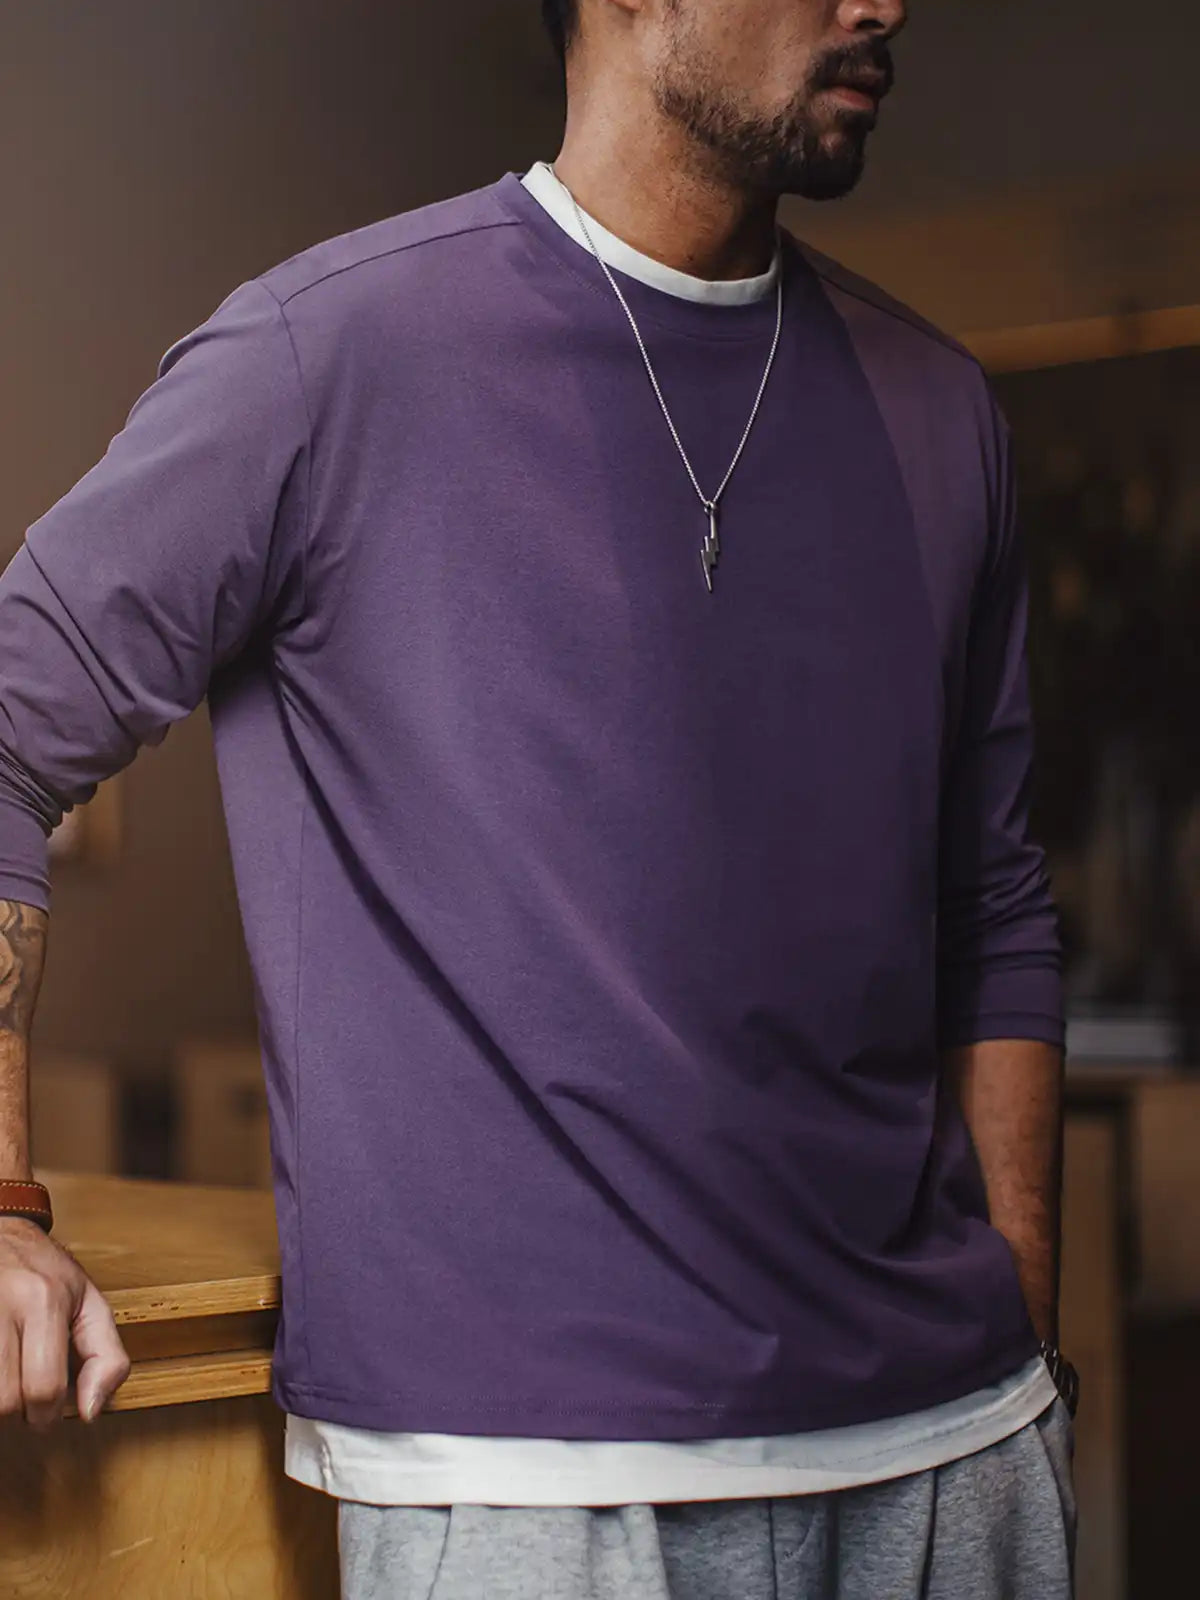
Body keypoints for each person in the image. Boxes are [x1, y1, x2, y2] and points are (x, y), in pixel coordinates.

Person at [0, 0, 1079, 1594]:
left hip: (956, 1456)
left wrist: (1024, 1317)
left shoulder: (940, 406)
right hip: (531, 1484)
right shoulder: (326, 355)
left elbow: (993, 901)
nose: (882, 4)